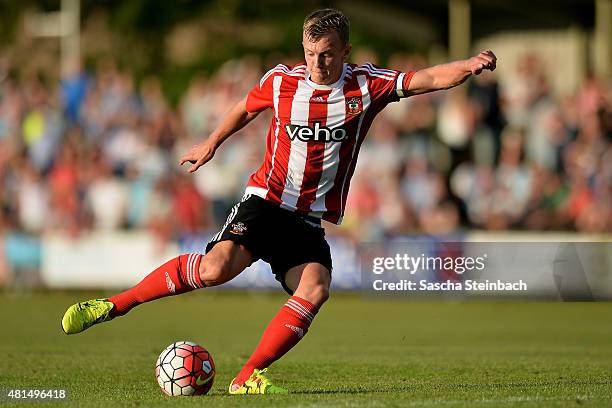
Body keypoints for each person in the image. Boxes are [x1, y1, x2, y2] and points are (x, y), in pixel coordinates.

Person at [61, 8, 497, 394]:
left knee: (317, 287)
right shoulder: (282, 81)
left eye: (326, 53)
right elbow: (245, 108)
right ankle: (113, 306)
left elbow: (429, 78)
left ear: (345, 51)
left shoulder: (367, 85)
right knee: (214, 270)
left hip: (307, 221)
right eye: (310, 53)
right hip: (266, 201)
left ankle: (246, 376)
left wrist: (469, 64)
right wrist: (211, 142)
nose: (317, 63)